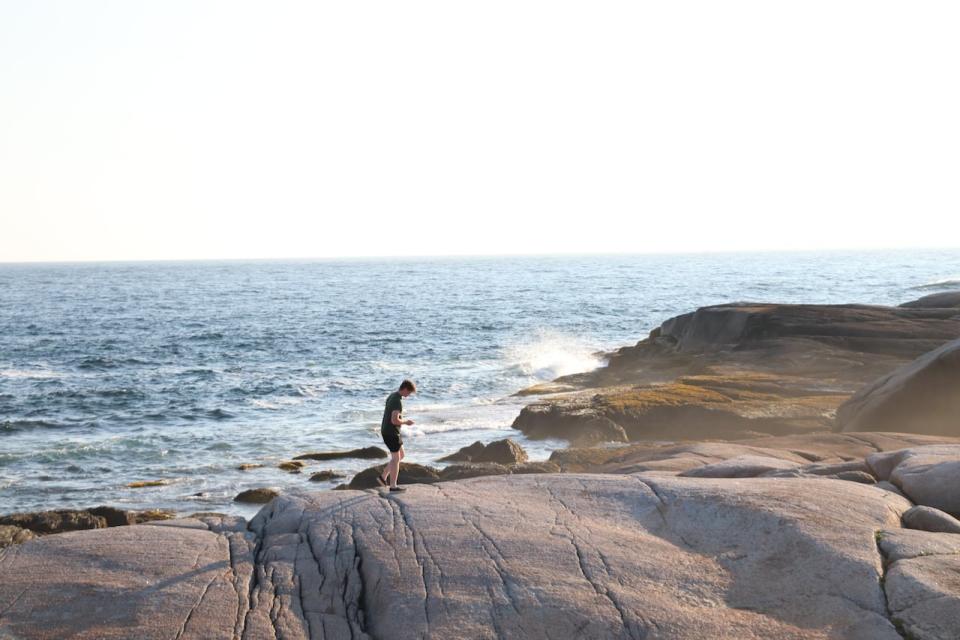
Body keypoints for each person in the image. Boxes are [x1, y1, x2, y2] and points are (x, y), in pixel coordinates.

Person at [378, 379, 416, 491]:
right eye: (408, 393)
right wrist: (406, 422)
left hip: (389, 431)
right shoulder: (397, 401)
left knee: (401, 455)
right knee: (396, 459)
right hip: (391, 432)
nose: (408, 395)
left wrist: (401, 421)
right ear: (404, 389)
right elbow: (394, 420)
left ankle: (382, 477)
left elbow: (393, 418)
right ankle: (393, 486)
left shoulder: (392, 396)